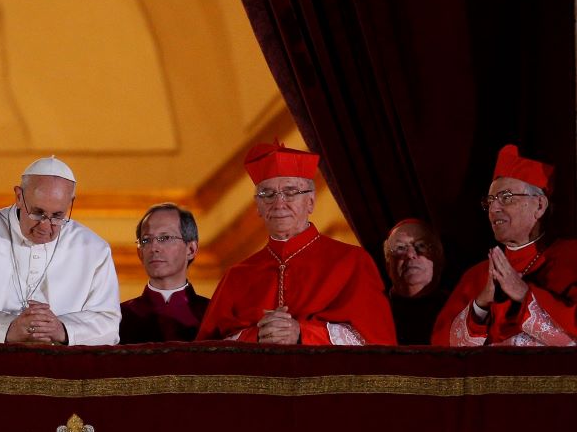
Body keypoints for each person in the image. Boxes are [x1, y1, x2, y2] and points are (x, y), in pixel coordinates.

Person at [196, 142, 396, 345]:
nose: (279, 203)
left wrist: (302, 332)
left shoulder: (352, 261)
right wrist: (257, 336)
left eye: (290, 192)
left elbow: (375, 342)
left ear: (310, 202)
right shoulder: (237, 276)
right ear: (257, 206)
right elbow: (207, 351)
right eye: (268, 194)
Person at [0, 156, 120, 344]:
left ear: (71, 203)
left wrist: (62, 329)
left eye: (57, 216)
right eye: (38, 213)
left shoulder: (93, 248)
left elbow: (109, 324)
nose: (45, 226)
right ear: (18, 196)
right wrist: (8, 328)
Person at [432, 145, 577, 346]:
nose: (494, 208)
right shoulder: (476, 276)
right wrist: (481, 304)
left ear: (540, 205)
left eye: (506, 198)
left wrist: (524, 293)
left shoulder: (571, 257)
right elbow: (443, 351)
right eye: (490, 201)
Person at [120, 203, 209, 343]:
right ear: (140, 253)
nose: (154, 247)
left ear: (191, 249)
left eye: (165, 238)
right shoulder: (118, 318)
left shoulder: (213, 316)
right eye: (146, 240)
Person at [384, 219, 449, 345]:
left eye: (421, 246)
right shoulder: (374, 312)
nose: (410, 254)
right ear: (388, 266)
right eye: (400, 248)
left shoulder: (460, 308)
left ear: (439, 259)